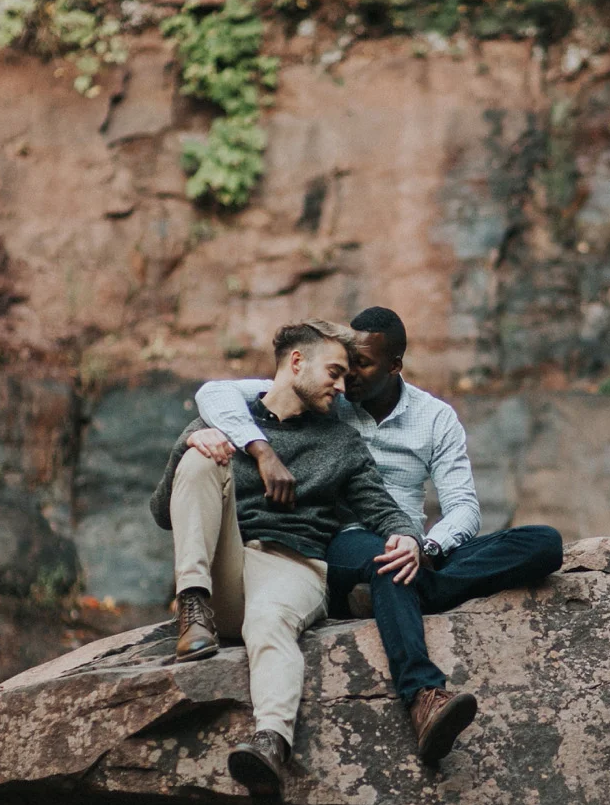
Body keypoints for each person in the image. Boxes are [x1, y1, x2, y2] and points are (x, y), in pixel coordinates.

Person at [188, 306, 563, 766]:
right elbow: (216, 392)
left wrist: (425, 547)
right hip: (346, 537)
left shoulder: (434, 417)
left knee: (544, 543)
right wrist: (259, 449)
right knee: (388, 563)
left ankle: (405, 590)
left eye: (362, 365)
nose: (349, 379)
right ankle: (424, 695)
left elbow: (463, 508)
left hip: (414, 541)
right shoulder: (327, 397)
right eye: (343, 365)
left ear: (395, 366)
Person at [150, 320, 424, 796]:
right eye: (334, 373)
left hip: (293, 568)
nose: (343, 387)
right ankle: (192, 609)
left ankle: (271, 742)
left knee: (269, 621)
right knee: (201, 458)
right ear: (296, 362)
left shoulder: (339, 440)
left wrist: (405, 535)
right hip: (226, 572)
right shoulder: (228, 418)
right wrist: (190, 445)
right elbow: (161, 512)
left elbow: (380, 506)